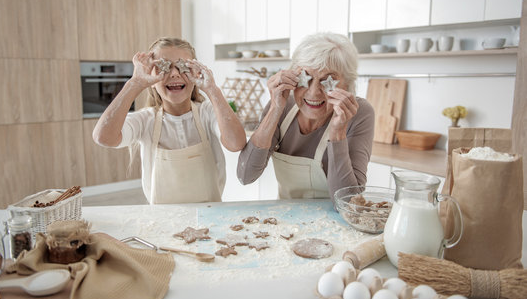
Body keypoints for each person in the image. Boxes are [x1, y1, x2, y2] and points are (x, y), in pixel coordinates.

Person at [93, 38, 246, 204]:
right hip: (162, 220)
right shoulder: (145, 120)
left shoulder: (207, 113)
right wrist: (135, 83)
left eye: (183, 66)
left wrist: (212, 90)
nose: (174, 73)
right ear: (151, 79)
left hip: (210, 214)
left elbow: (236, 143)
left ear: (195, 73)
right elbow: (103, 138)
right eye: (163, 66)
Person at [237, 32, 374, 201]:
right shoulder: (283, 105)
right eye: (305, 78)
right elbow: (245, 176)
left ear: (348, 85)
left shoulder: (360, 114)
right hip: (285, 219)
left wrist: (338, 132)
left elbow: (348, 202)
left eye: (328, 81)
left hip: (336, 223)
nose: (314, 92)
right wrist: (275, 109)